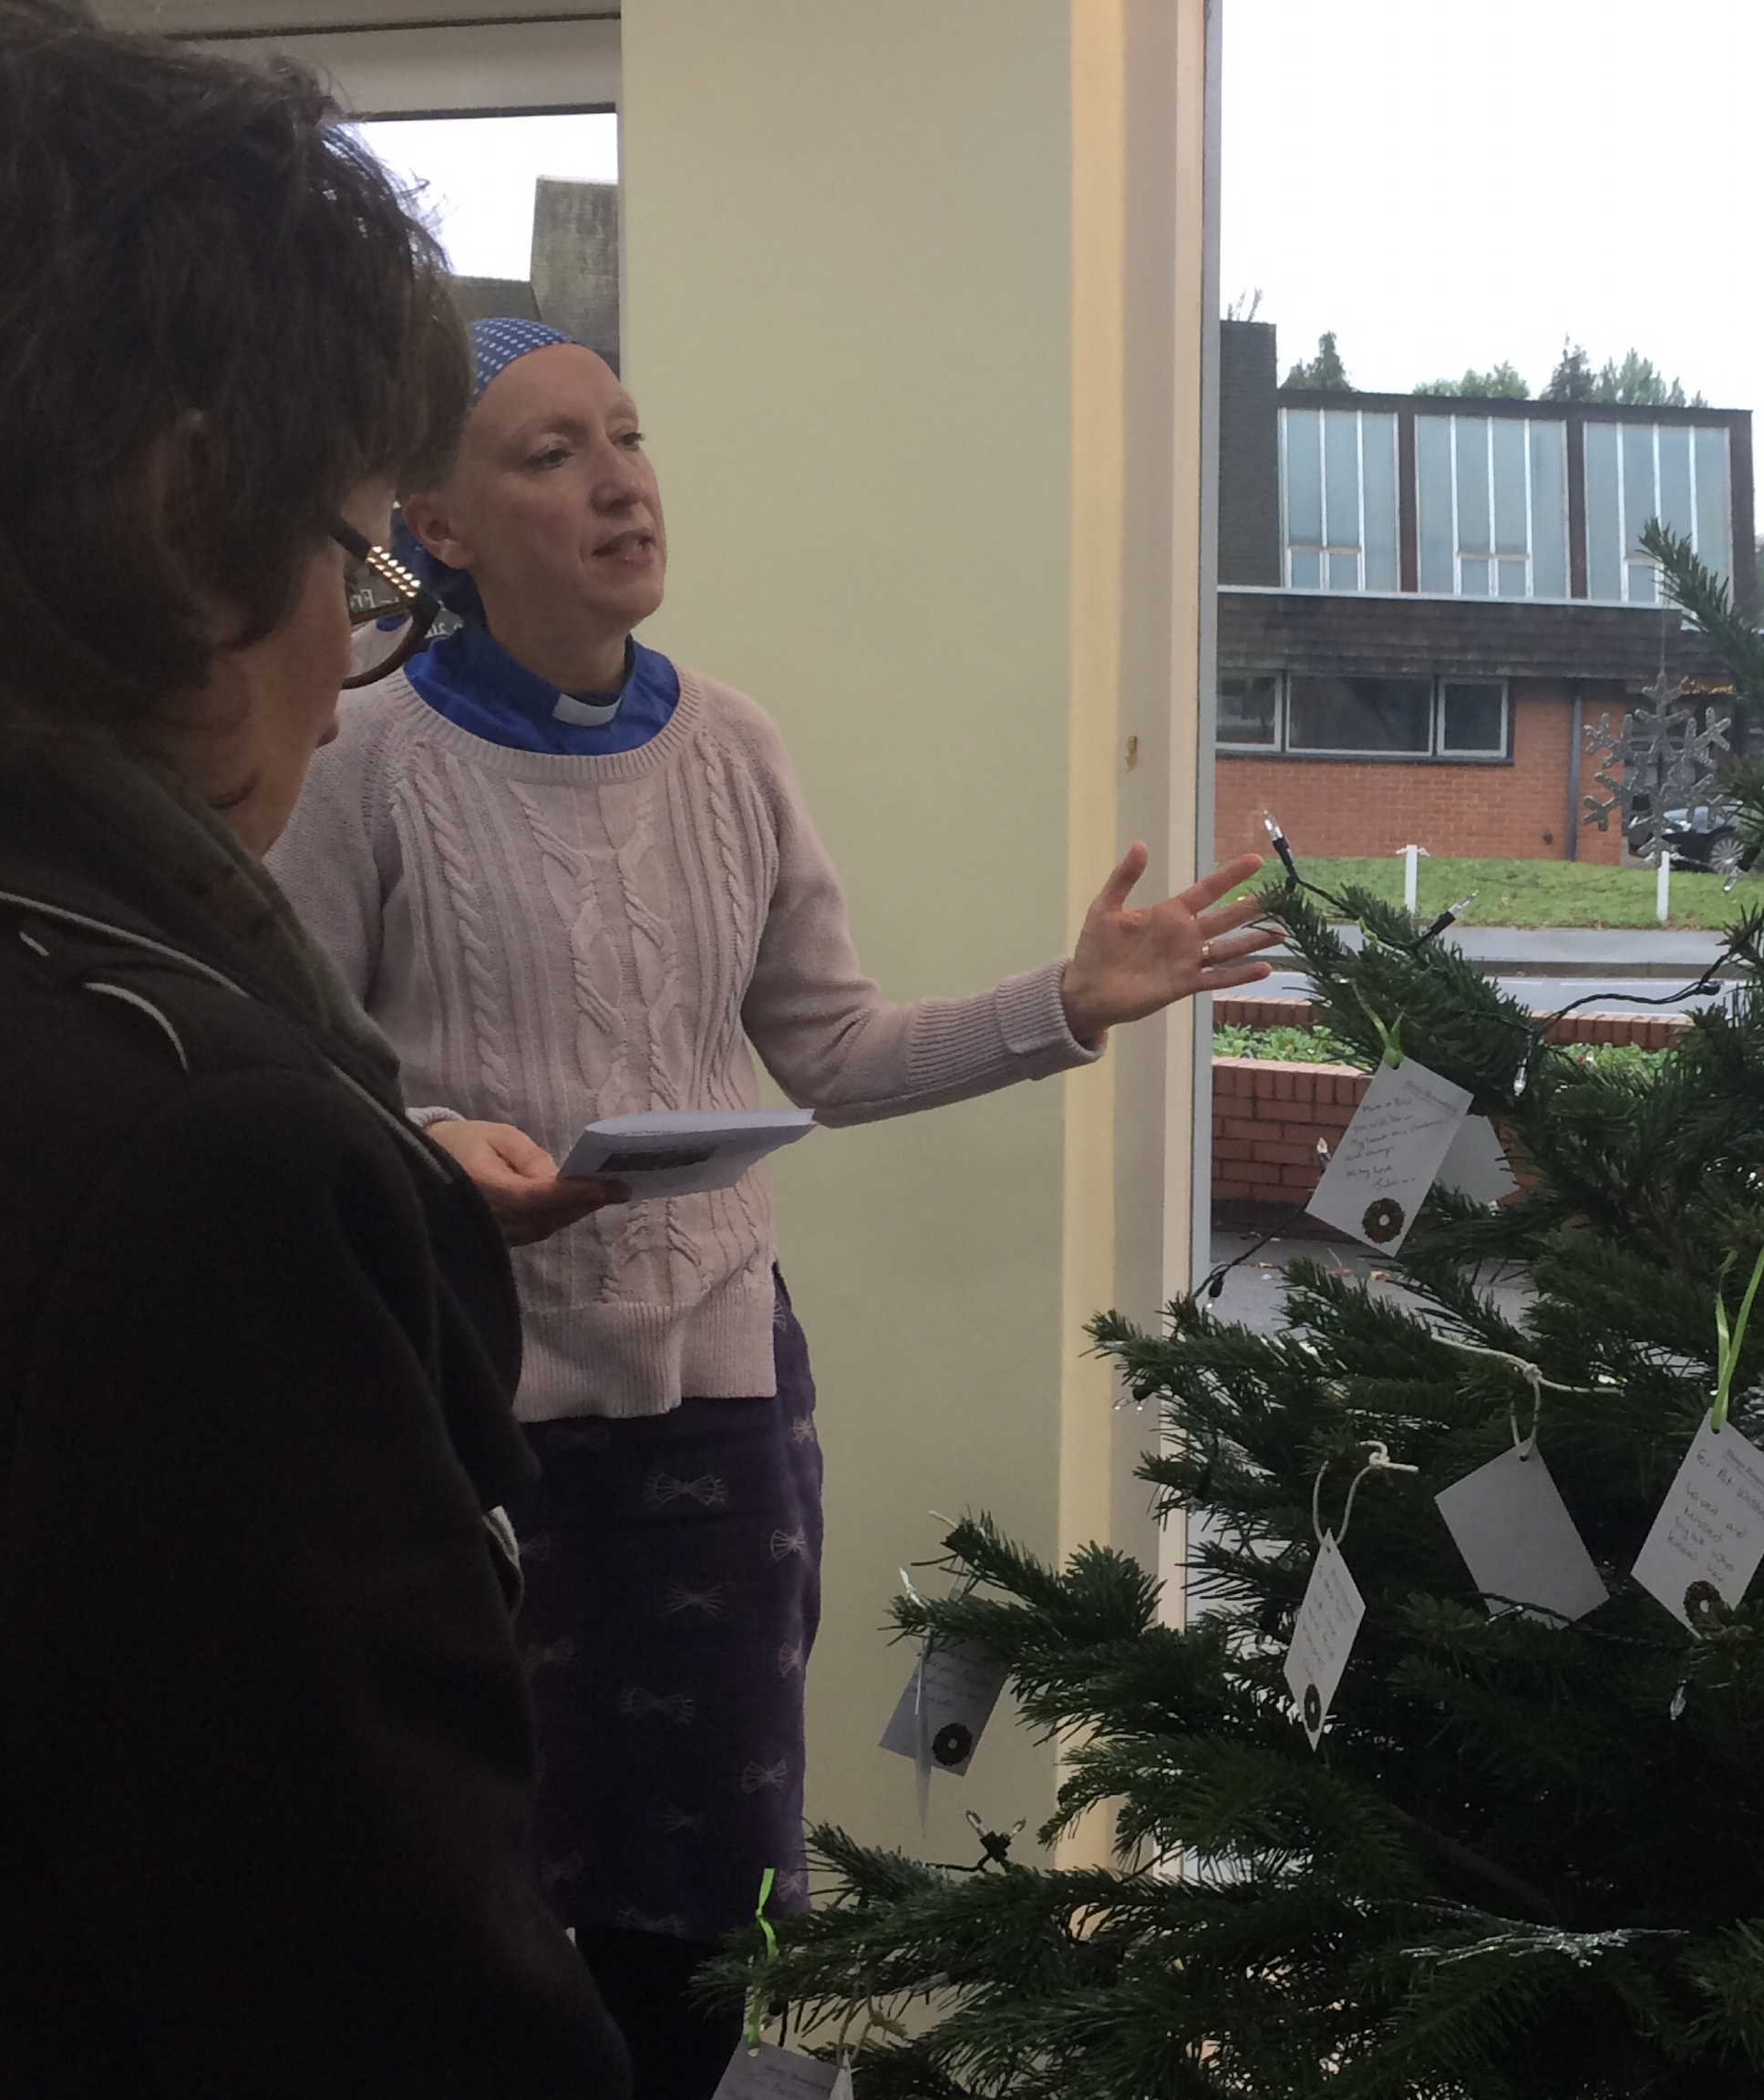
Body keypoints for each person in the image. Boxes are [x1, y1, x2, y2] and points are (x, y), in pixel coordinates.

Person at [269, 317, 1275, 2094]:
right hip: (468, 1425)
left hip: (722, 1419)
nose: (618, 481)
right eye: (549, 453)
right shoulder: (358, 767)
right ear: (434, 522)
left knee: (699, 1904)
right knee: (461, 1884)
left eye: (629, 437)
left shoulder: (731, 746)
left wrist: (1066, 1001)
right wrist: (428, 1142)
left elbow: (829, 1051)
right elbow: (293, 1072)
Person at [0, 11, 630, 2095]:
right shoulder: (216, 1161)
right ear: (194, 508)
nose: (348, 682)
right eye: (353, 561)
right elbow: (382, 1999)